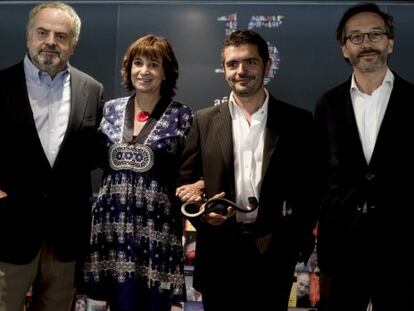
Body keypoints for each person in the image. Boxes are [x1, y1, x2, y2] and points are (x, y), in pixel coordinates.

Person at [177, 29, 317, 311]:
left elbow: (311, 188)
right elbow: (186, 182)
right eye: (232, 64)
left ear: (267, 66)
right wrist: (205, 212)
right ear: (224, 69)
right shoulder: (203, 121)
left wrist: (296, 242)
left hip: (275, 257)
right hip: (218, 255)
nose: (241, 71)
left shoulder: (298, 122)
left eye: (250, 62)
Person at [0, 2, 104, 311]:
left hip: (66, 236)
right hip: (9, 232)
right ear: (28, 36)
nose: (51, 41)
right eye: (42, 32)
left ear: (73, 44)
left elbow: (94, 153)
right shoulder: (0, 85)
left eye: (61, 36)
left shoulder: (92, 90)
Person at [314, 3, 414, 310]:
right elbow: (318, 175)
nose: (366, 43)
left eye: (374, 34)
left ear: (390, 42)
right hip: (341, 251)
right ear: (344, 49)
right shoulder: (327, 104)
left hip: (403, 251)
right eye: (355, 37)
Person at [82, 34, 193, 311]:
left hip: (156, 228)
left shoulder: (183, 116)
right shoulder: (108, 110)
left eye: (153, 64)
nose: (144, 71)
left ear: (166, 72)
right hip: (110, 227)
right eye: (138, 63)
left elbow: (191, 171)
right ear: (128, 69)